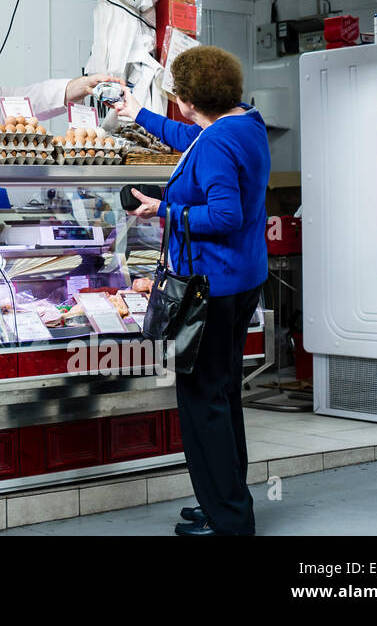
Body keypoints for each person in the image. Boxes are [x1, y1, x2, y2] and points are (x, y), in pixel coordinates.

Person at [115, 46, 270, 537]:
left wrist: (164, 211)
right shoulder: (243, 123)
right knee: (223, 395)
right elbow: (194, 139)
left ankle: (228, 520)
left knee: (204, 401)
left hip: (210, 287)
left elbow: (226, 215)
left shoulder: (219, 142)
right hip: (240, 280)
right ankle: (226, 502)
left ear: (184, 100)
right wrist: (135, 114)